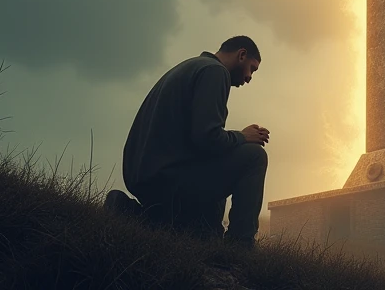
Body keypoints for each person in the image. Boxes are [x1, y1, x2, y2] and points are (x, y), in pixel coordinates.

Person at [116, 35, 270, 249]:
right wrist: (243, 137)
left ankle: (134, 214)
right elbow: (207, 139)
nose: (249, 78)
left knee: (204, 236)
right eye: (252, 69)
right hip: (169, 182)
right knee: (254, 156)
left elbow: (200, 142)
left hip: (146, 180)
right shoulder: (215, 72)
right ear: (241, 55)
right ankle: (240, 246)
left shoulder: (189, 67)